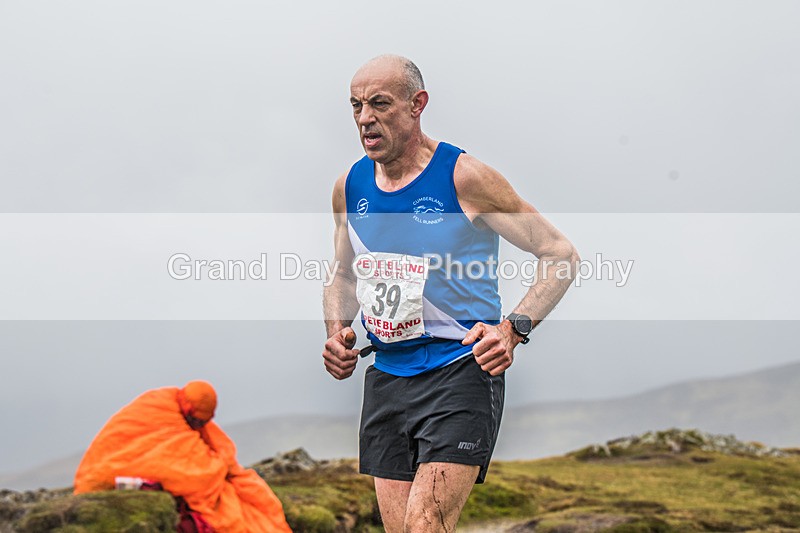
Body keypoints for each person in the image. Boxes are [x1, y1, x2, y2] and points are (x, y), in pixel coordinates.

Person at [322, 55, 580, 532]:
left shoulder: (465, 178)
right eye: (356, 106)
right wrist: (337, 333)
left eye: (379, 104)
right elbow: (343, 276)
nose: (364, 119)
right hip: (387, 376)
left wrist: (513, 330)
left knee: (426, 524)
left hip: (459, 371)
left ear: (417, 104)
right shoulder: (349, 185)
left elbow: (560, 254)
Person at [74, 380, 292, 533]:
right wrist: (217, 466)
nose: (199, 427)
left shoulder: (176, 408)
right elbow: (191, 473)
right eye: (196, 421)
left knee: (250, 491)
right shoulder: (159, 408)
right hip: (98, 475)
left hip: (93, 478)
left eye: (202, 423)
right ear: (188, 409)